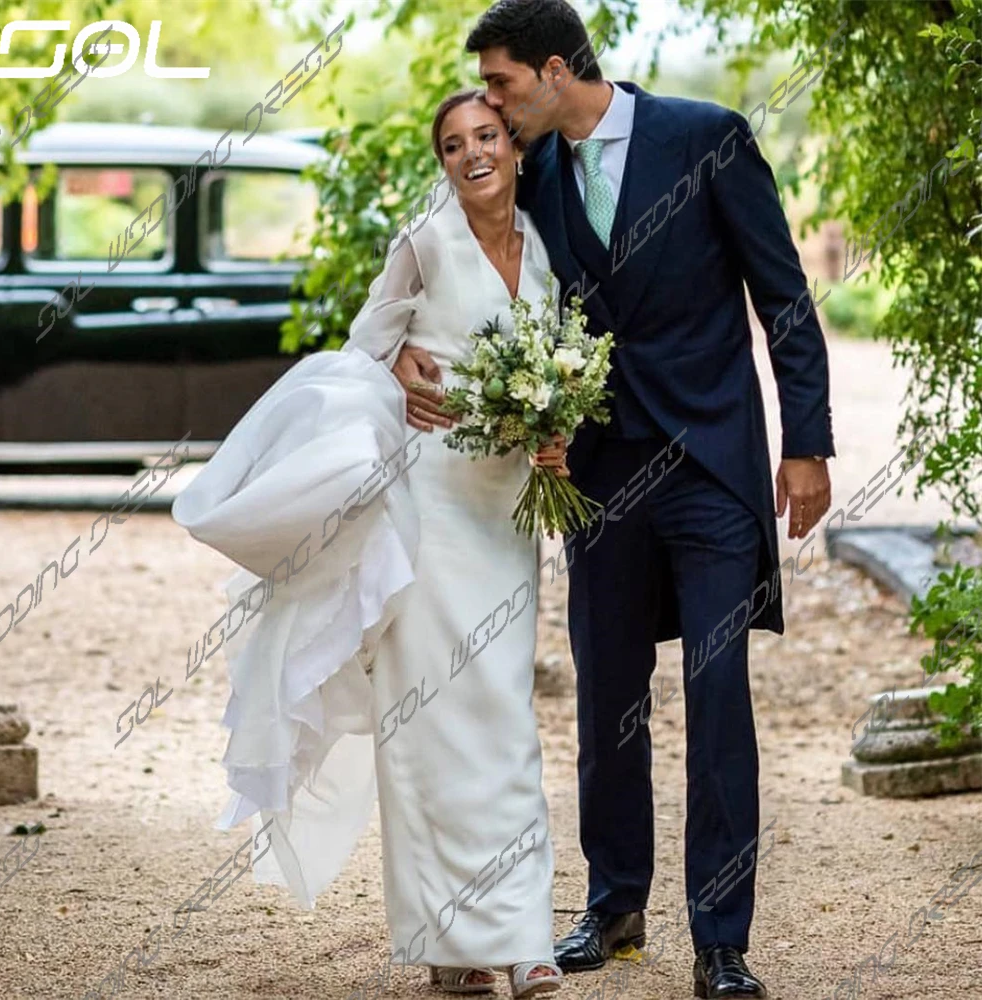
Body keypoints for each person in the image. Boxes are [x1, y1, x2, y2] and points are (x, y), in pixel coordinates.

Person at [393, 2, 837, 998]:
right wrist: (399, 346)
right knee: (607, 699)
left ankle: (721, 940)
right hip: (592, 477)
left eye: (502, 86)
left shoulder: (706, 136)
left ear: (554, 70)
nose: (494, 113)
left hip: (711, 464)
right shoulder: (532, 173)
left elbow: (784, 298)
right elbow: (457, 261)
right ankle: (615, 904)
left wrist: (805, 441)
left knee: (717, 695)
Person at [172, 91, 571, 998]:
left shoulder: (544, 252)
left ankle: (526, 936)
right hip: (429, 503)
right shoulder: (425, 238)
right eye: (452, 145)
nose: (472, 155)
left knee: (506, 712)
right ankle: (449, 941)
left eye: (485, 137)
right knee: (428, 720)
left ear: (513, 145)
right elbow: (362, 346)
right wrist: (395, 364)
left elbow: (558, 372)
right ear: (442, 163)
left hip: (505, 509)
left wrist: (557, 433)